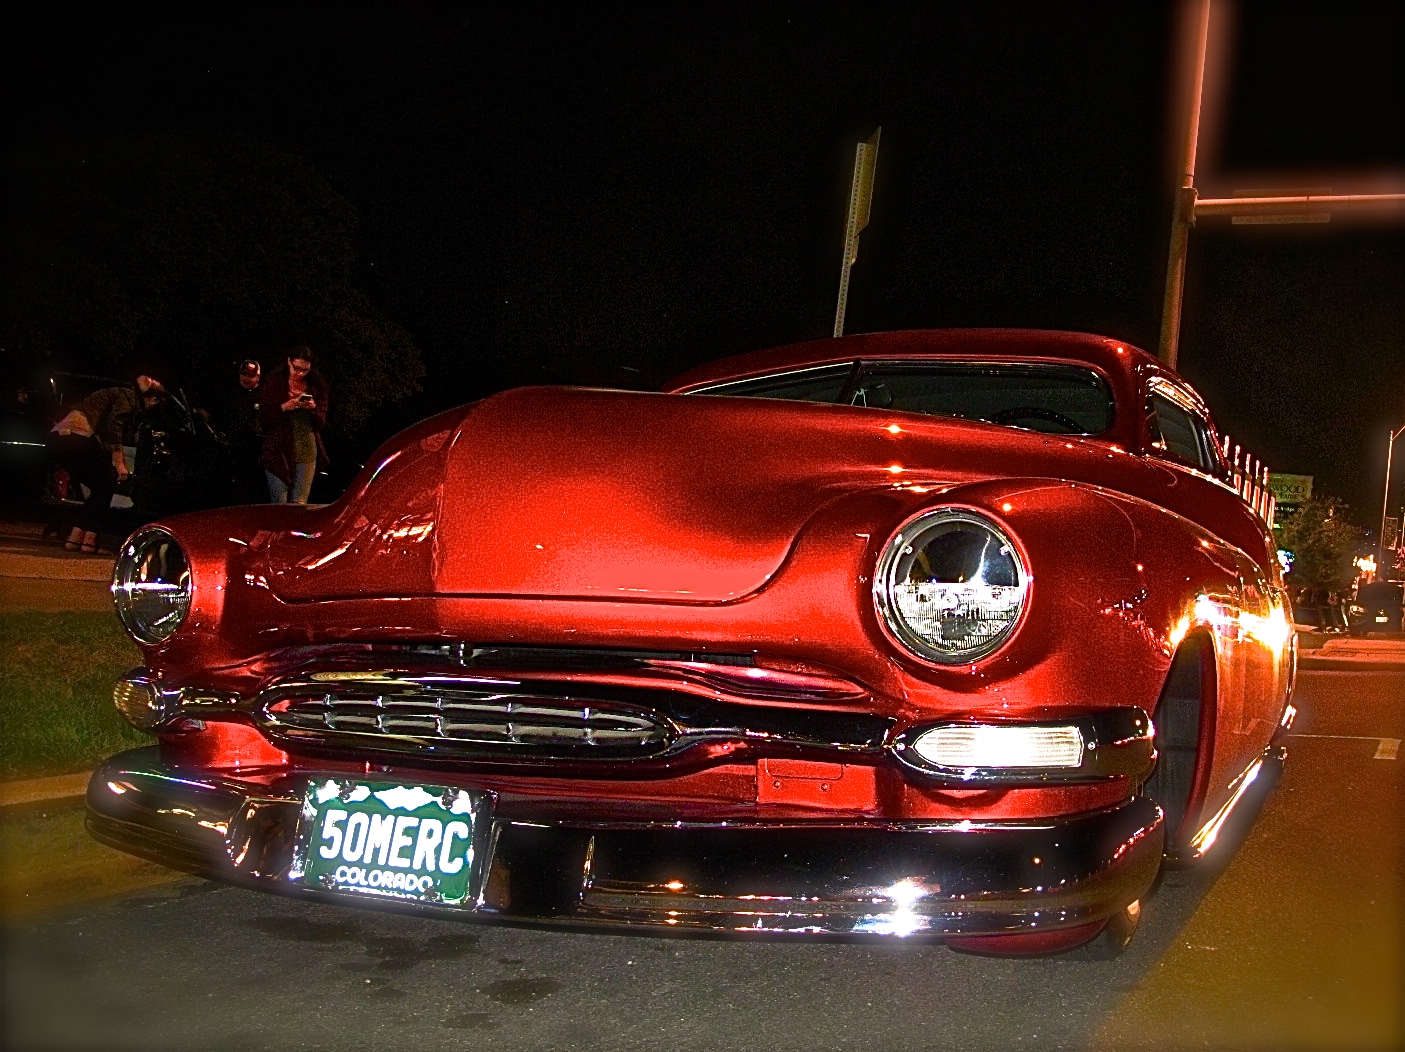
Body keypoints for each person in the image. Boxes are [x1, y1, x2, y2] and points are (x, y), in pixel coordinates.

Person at [47, 374, 166, 551]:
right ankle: (87, 539)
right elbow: (114, 426)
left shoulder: (119, 393)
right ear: (153, 399)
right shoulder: (127, 397)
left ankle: (78, 536)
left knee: (101, 486)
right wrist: (119, 462)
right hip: (78, 437)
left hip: (61, 438)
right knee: (106, 485)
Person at [258, 346, 328, 504]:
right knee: (279, 503)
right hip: (278, 450)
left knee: (299, 503)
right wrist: (284, 407)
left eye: (305, 370)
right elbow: (263, 419)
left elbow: (321, 423)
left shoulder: (316, 388)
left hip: (306, 449)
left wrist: (313, 409)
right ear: (289, 362)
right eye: (296, 368)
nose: (300, 373)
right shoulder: (274, 385)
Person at [225, 359, 265, 503]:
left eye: (251, 375)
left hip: (255, 453)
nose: (246, 378)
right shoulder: (231, 394)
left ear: (258, 377)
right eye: (244, 374)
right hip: (232, 450)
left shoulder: (264, 395)